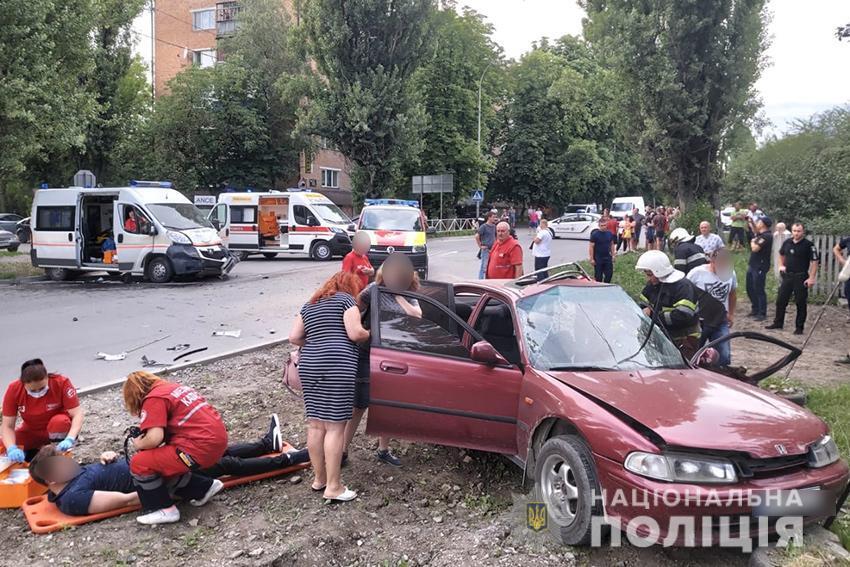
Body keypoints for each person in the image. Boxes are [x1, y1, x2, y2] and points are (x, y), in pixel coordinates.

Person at [27, 418, 309, 517]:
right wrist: (171, 490)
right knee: (225, 464)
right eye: (60, 464)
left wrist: (108, 455)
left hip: (154, 463)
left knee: (213, 451)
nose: (68, 463)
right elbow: (127, 500)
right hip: (163, 476)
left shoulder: (74, 475)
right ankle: (290, 459)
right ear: (51, 480)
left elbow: (105, 469)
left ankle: (266, 443)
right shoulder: (73, 498)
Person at [288, 271, 368, 502]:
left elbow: (294, 337)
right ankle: (334, 487)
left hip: (309, 364)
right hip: (337, 364)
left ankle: (319, 479)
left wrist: (317, 342)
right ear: (350, 287)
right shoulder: (346, 301)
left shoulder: (310, 304)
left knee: (316, 425)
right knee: (334, 427)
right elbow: (355, 333)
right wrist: (369, 333)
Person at [344, 254, 421, 467]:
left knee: (387, 405)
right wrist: (361, 329)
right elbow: (355, 308)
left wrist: (397, 296)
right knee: (359, 406)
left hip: (392, 356)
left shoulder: (409, 295)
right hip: (366, 353)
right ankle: (342, 450)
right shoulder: (373, 290)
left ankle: (383, 450)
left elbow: (417, 315)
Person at [121, 371, 228, 525]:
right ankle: (203, 488)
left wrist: (139, 443)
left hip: (197, 448)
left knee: (140, 463)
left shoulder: (154, 398)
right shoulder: (174, 389)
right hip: (217, 441)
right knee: (163, 462)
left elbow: (154, 438)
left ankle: (164, 509)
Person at [2, 359, 83, 463]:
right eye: (32, 390)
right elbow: (7, 426)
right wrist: (11, 448)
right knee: (4, 444)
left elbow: (77, 414)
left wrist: (70, 438)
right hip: (32, 430)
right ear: (23, 384)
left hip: (57, 429)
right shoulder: (14, 389)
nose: (38, 393)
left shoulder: (61, 383)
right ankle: (31, 454)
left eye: (42, 388)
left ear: (47, 378)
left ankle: (59, 456)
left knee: (59, 422)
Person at [635, 250, 702, 359]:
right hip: (663, 339)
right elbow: (643, 305)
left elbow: (683, 316)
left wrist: (653, 316)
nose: (648, 278)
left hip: (685, 341)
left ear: (659, 272)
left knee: (683, 369)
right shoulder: (653, 285)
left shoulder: (683, 287)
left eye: (650, 275)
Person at [766, 223, 819, 335]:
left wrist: (811, 278)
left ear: (803, 232)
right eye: (794, 231)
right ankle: (778, 323)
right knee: (781, 300)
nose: (796, 233)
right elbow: (781, 254)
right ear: (792, 231)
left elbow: (815, 262)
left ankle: (799, 327)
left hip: (801, 277)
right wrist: (781, 265)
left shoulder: (808, 245)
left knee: (800, 302)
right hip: (788, 276)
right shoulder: (787, 242)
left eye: (798, 231)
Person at [688, 249, 738, 366]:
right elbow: (685, 291)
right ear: (712, 261)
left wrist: (731, 313)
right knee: (694, 355)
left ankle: (721, 373)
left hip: (720, 320)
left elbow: (732, 293)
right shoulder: (696, 273)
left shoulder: (731, 274)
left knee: (724, 355)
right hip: (699, 321)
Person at [746, 216, 774, 322]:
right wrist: (751, 221)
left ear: (763, 224)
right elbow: (755, 230)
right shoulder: (760, 234)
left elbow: (755, 248)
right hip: (753, 265)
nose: (757, 223)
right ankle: (755, 308)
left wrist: (752, 241)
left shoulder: (766, 236)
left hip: (760, 266)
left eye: (759, 221)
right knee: (750, 288)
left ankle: (762, 313)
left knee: (759, 289)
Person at [589, 217, 616, 283]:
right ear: (599, 225)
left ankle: (606, 285)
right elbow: (591, 247)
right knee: (598, 276)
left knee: (609, 274)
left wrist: (613, 255)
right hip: (598, 258)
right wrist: (592, 259)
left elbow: (612, 245)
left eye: (605, 225)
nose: (603, 227)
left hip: (607, 257)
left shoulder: (609, 233)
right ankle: (599, 287)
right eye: (602, 225)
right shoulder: (595, 234)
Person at [475, 212, 497, 279]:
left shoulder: (494, 226)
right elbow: (477, 236)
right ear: (489, 217)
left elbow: (495, 236)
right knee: (484, 266)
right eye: (493, 217)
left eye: (495, 217)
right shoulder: (484, 226)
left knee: (492, 265)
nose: (495, 219)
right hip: (486, 249)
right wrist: (480, 246)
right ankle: (481, 280)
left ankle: (489, 279)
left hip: (493, 249)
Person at [834, 234, 850, 322]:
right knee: (848, 292)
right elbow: (836, 249)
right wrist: (842, 260)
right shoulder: (848, 240)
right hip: (849, 270)